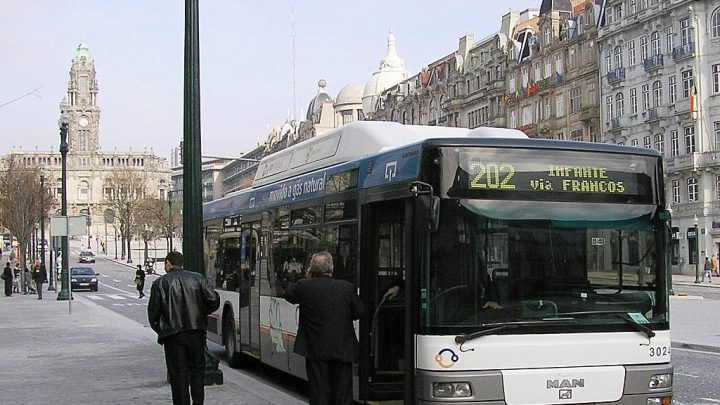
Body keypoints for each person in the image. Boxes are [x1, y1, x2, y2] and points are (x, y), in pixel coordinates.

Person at [284, 251, 364, 405]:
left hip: (316, 350)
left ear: (311, 269)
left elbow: (288, 294)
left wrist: (306, 278)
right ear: (332, 268)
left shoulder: (304, 286)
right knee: (343, 394)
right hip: (342, 349)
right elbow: (360, 311)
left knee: (319, 392)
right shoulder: (347, 288)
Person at [147, 251, 220, 405]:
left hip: (173, 335)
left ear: (168, 263)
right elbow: (213, 300)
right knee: (197, 371)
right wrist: (200, 313)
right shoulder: (197, 278)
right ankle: (198, 402)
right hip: (196, 332)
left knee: (178, 374)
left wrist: (162, 330)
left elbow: (153, 313)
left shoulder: (160, 283)